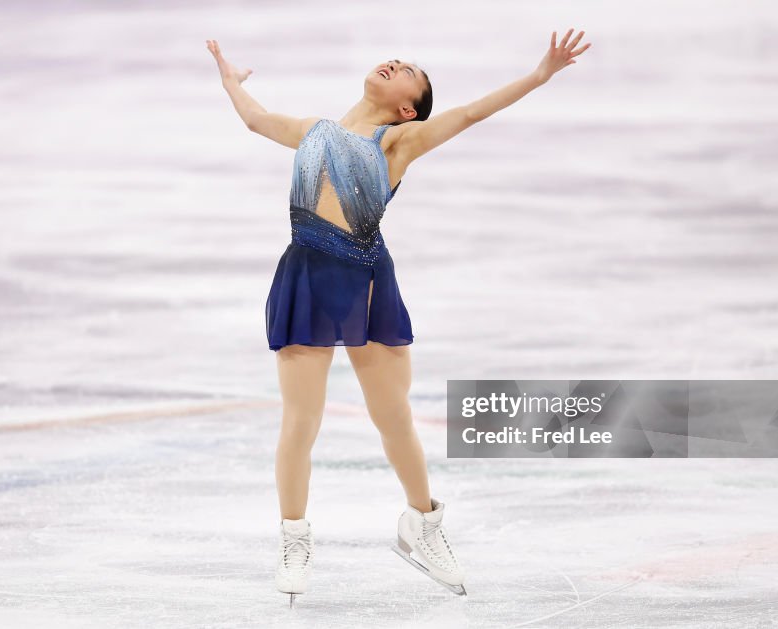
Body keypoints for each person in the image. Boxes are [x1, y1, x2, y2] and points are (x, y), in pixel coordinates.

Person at [205, 30, 591, 604]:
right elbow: (258, 121)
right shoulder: (315, 132)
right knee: (299, 422)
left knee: (394, 417)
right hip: (307, 277)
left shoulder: (399, 142)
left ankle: (423, 524)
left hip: (364, 282)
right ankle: (294, 537)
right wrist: (231, 84)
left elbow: (469, 112)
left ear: (408, 106)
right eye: (395, 60)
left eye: (409, 69)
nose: (396, 63)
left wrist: (540, 75)